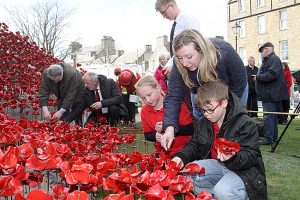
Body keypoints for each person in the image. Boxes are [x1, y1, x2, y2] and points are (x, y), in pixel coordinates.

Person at [171, 80, 267, 200]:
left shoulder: (244, 123)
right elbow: (194, 144)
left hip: (243, 171)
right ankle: (221, 194)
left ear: (224, 103)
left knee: (223, 190)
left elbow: (251, 155)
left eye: (210, 109)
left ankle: (238, 195)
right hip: (218, 164)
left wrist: (233, 157)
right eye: (202, 110)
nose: (206, 114)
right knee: (188, 175)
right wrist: (180, 157)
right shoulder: (204, 123)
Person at [161, 29, 248, 145]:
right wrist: (169, 128)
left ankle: (233, 150)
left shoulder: (224, 52)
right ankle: (208, 148)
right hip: (198, 89)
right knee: (202, 122)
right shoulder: (179, 63)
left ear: (201, 50)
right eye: (180, 58)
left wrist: (225, 110)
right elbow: (173, 96)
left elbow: (239, 82)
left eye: (189, 57)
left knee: (231, 123)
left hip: (232, 88)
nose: (184, 63)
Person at [155, 0, 201, 115]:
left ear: (172, 5)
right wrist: (170, 65)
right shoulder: (176, 24)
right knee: (185, 104)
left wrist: (173, 64)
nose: (164, 17)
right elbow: (177, 51)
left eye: (164, 12)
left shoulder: (188, 20)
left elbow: (192, 46)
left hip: (189, 71)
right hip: (180, 70)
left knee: (194, 106)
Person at [136, 75, 193, 157]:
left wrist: (168, 128)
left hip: (183, 150)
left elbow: (190, 129)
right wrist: (155, 136)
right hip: (162, 153)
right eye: (143, 98)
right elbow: (147, 134)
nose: (148, 100)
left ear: (158, 88)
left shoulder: (176, 105)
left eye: (149, 95)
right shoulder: (144, 111)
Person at [254, 42, 289, 145]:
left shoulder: (274, 59)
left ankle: (268, 138)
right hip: (269, 93)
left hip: (270, 93)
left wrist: (258, 77)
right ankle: (273, 137)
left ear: (267, 49)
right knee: (271, 116)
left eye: (262, 51)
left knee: (268, 116)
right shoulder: (271, 59)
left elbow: (272, 74)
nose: (261, 53)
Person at [63, 72, 128, 127]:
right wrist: (65, 121)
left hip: (112, 112)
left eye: (87, 83)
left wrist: (102, 103)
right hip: (97, 114)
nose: (85, 85)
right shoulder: (86, 91)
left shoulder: (109, 83)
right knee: (87, 127)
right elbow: (79, 108)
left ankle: (113, 126)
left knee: (113, 108)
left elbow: (118, 98)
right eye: (85, 83)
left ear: (94, 82)